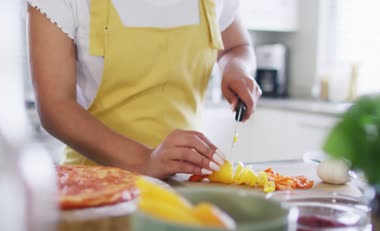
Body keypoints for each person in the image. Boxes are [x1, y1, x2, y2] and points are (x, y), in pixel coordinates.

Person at [27, 0, 261, 179]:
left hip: (187, 186)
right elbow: (55, 105)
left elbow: (236, 46)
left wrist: (236, 68)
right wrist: (145, 159)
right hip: (97, 189)